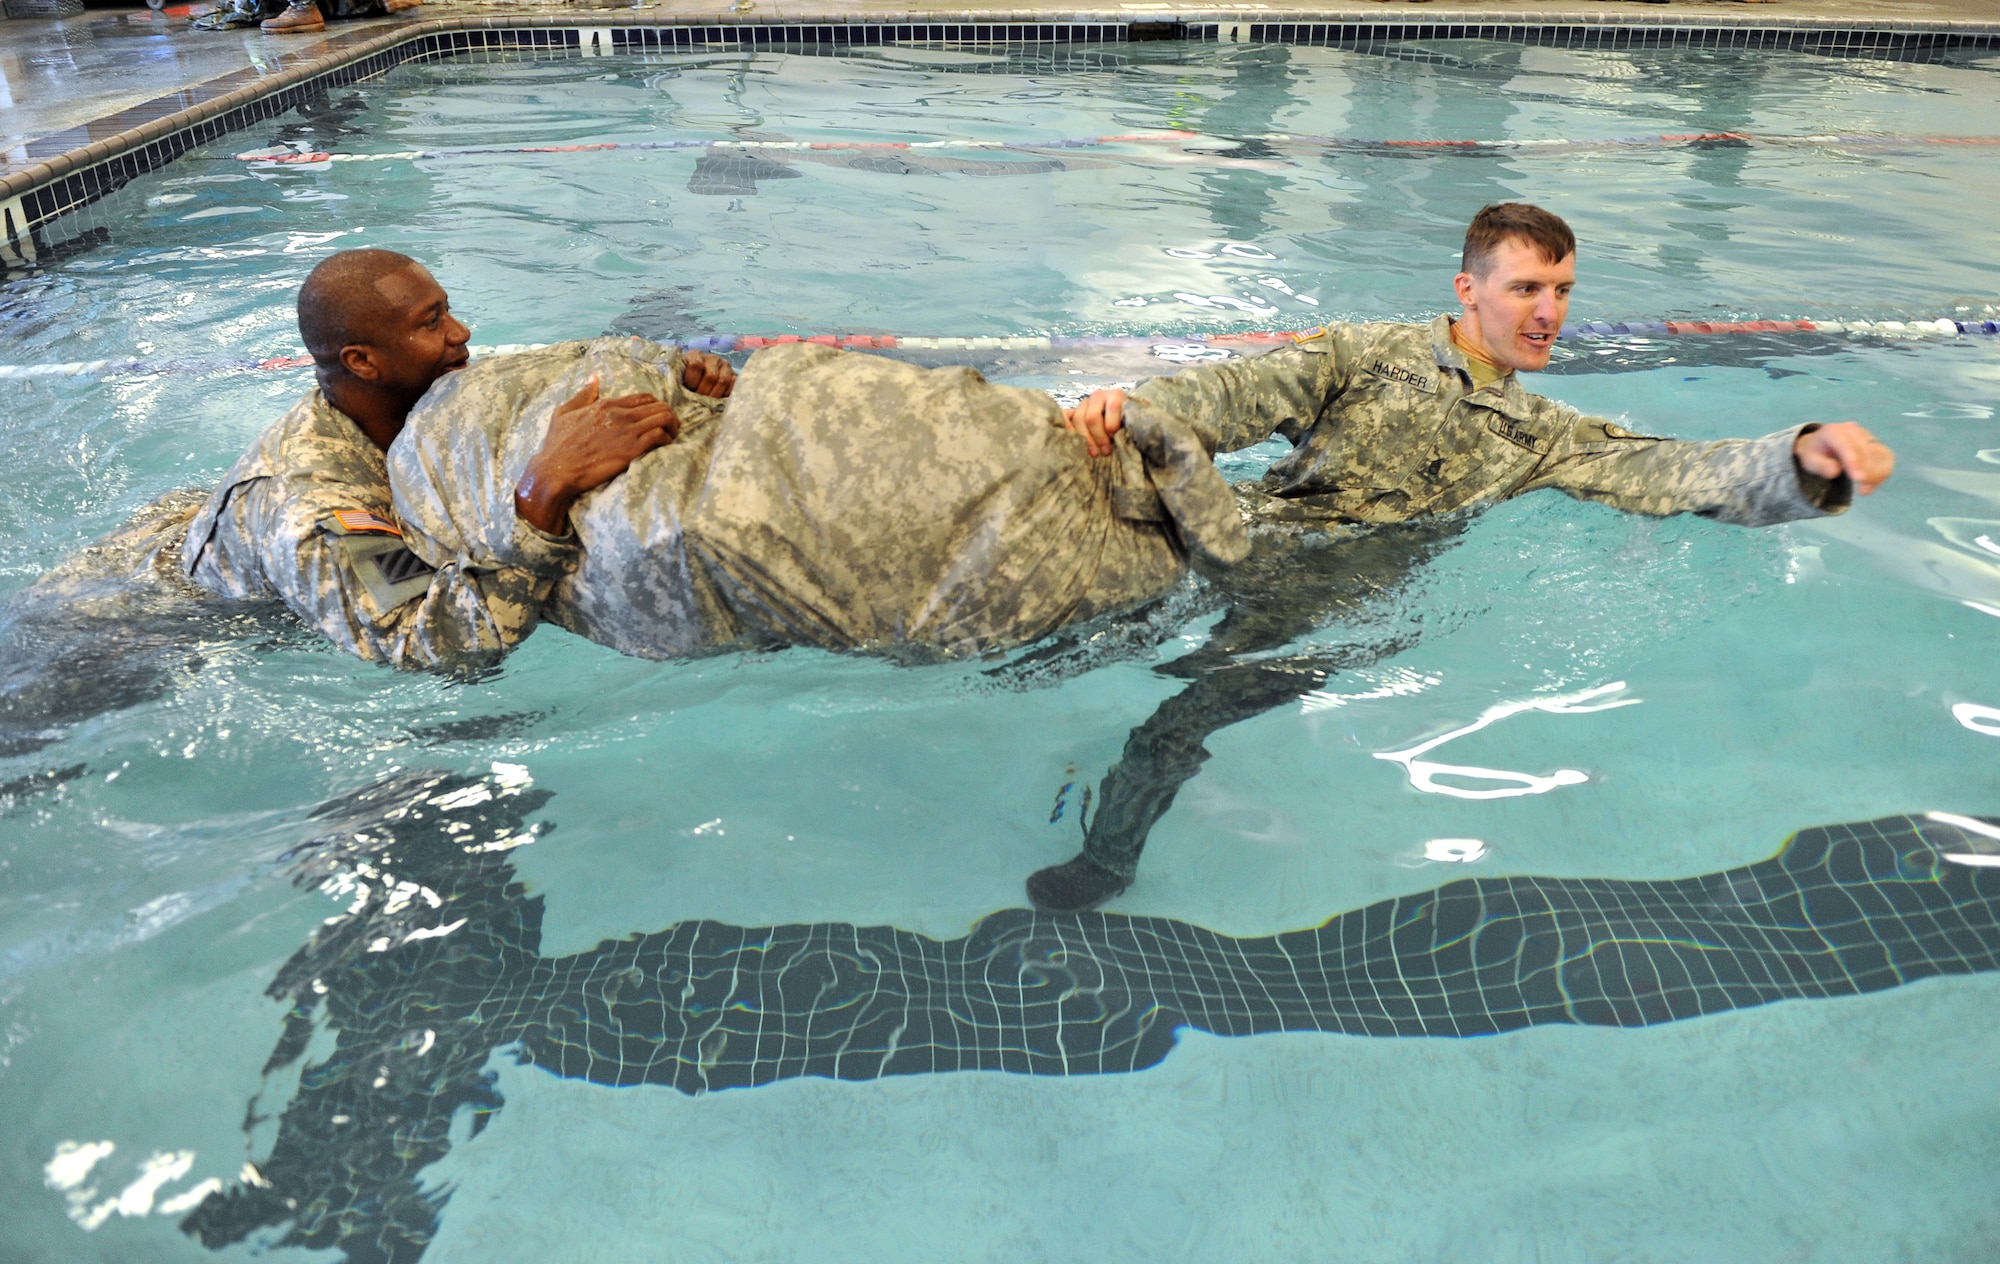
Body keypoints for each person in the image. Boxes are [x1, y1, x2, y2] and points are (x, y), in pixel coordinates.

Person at [1026, 201, 1897, 914]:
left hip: (1340, 610)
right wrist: (1132, 409)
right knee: (1062, 634)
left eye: (1561, 288)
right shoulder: (1366, 355)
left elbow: (1671, 471)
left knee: (1180, 721)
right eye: (1525, 288)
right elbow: (1229, 394)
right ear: (1467, 289)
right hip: (1253, 536)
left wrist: (1799, 459)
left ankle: (1107, 863)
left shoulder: (1545, 437)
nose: (1549, 312)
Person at [180, 249, 739, 672]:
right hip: (168, 617)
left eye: (447, 312)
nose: (460, 334)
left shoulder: (430, 400)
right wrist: (538, 495)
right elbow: (426, 643)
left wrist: (674, 368)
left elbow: (557, 366)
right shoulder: (318, 509)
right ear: (362, 362)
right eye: (430, 323)